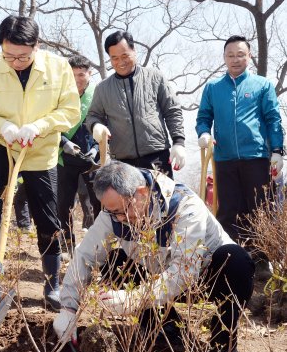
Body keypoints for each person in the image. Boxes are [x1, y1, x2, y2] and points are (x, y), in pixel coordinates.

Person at [53, 161, 253, 352]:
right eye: (112, 212)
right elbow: (86, 254)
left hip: (204, 278)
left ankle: (222, 346)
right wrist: (68, 308)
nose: (120, 219)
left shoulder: (184, 206)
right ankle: (166, 331)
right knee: (115, 261)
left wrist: (135, 299)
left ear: (141, 192)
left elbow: (185, 271)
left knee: (236, 261)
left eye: (122, 211)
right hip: (156, 280)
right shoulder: (114, 214)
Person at [0, 15, 80, 311]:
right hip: (4, 145)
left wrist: (40, 125)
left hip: (41, 151)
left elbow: (70, 111)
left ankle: (52, 284)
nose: (15, 62)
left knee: (48, 217)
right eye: (8, 55)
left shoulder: (57, 68)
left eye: (22, 56)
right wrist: (1, 125)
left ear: (36, 47)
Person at [196, 35, 284, 277]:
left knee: (259, 210)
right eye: (230, 55)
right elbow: (203, 117)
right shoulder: (213, 88)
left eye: (240, 55)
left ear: (249, 56)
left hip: (256, 157)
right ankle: (228, 261)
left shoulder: (262, 85)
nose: (235, 59)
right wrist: (204, 133)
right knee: (227, 212)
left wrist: (277, 151)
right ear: (224, 57)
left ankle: (262, 261)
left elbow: (273, 119)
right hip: (224, 160)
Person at [86, 31, 185, 178]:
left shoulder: (155, 77)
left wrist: (178, 142)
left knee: (159, 200)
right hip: (122, 164)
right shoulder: (103, 88)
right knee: (128, 202)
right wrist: (95, 125)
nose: (120, 62)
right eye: (114, 58)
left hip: (157, 157)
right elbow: (93, 116)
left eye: (125, 56)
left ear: (134, 51)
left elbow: (172, 110)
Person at [58, 55, 101, 251]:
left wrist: (96, 148)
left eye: (81, 74)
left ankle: (98, 247)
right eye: (72, 75)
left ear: (89, 73)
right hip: (65, 158)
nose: (77, 79)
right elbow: (49, 122)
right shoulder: (59, 94)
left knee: (99, 202)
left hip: (93, 159)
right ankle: (67, 244)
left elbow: (107, 124)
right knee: (64, 203)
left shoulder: (98, 94)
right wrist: (63, 141)